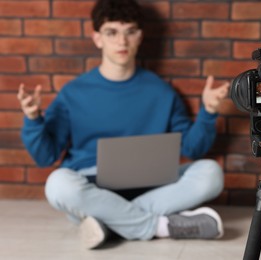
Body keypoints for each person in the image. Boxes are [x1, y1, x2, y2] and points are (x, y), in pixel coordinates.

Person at [16, 0, 229, 250]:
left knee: (210, 174)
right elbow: (45, 157)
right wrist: (33, 120)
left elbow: (193, 150)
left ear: (140, 36)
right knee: (57, 184)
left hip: (151, 185)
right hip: (91, 187)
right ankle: (160, 226)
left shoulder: (161, 92)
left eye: (130, 32)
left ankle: (108, 223)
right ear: (97, 38)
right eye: (112, 32)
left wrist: (208, 112)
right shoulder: (73, 92)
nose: (122, 41)